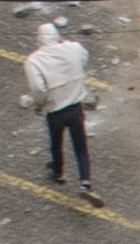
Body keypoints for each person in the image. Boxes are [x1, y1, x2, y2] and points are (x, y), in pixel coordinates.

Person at [23, 18, 96, 197]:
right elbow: (84, 57)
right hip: (75, 106)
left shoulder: (34, 61)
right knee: (80, 146)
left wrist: (40, 104)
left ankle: (58, 172)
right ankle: (85, 182)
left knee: (56, 142)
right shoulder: (73, 48)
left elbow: (38, 89)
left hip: (54, 109)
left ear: (39, 39)